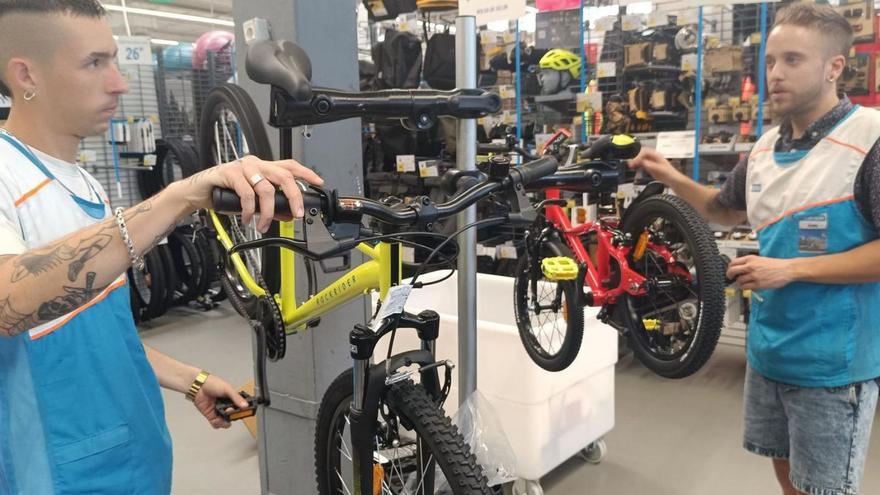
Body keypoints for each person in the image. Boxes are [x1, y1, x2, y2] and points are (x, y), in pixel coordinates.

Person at [0, 1, 324, 493]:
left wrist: (189, 378)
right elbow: (9, 303)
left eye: (113, 59)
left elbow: (89, 331)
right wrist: (182, 196)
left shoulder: (83, 183)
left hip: (134, 456)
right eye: (94, 63)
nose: (120, 83)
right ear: (26, 74)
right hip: (58, 473)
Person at [629, 3, 879, 494]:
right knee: (788, 480)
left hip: (832, 367)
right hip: (770, 354)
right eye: (769, 61)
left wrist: (789, 270)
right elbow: (725, 210)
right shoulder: (766, 147)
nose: (774, 74)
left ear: (835, 67)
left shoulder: (869, 140)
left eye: (792, 60)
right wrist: (672, 177)